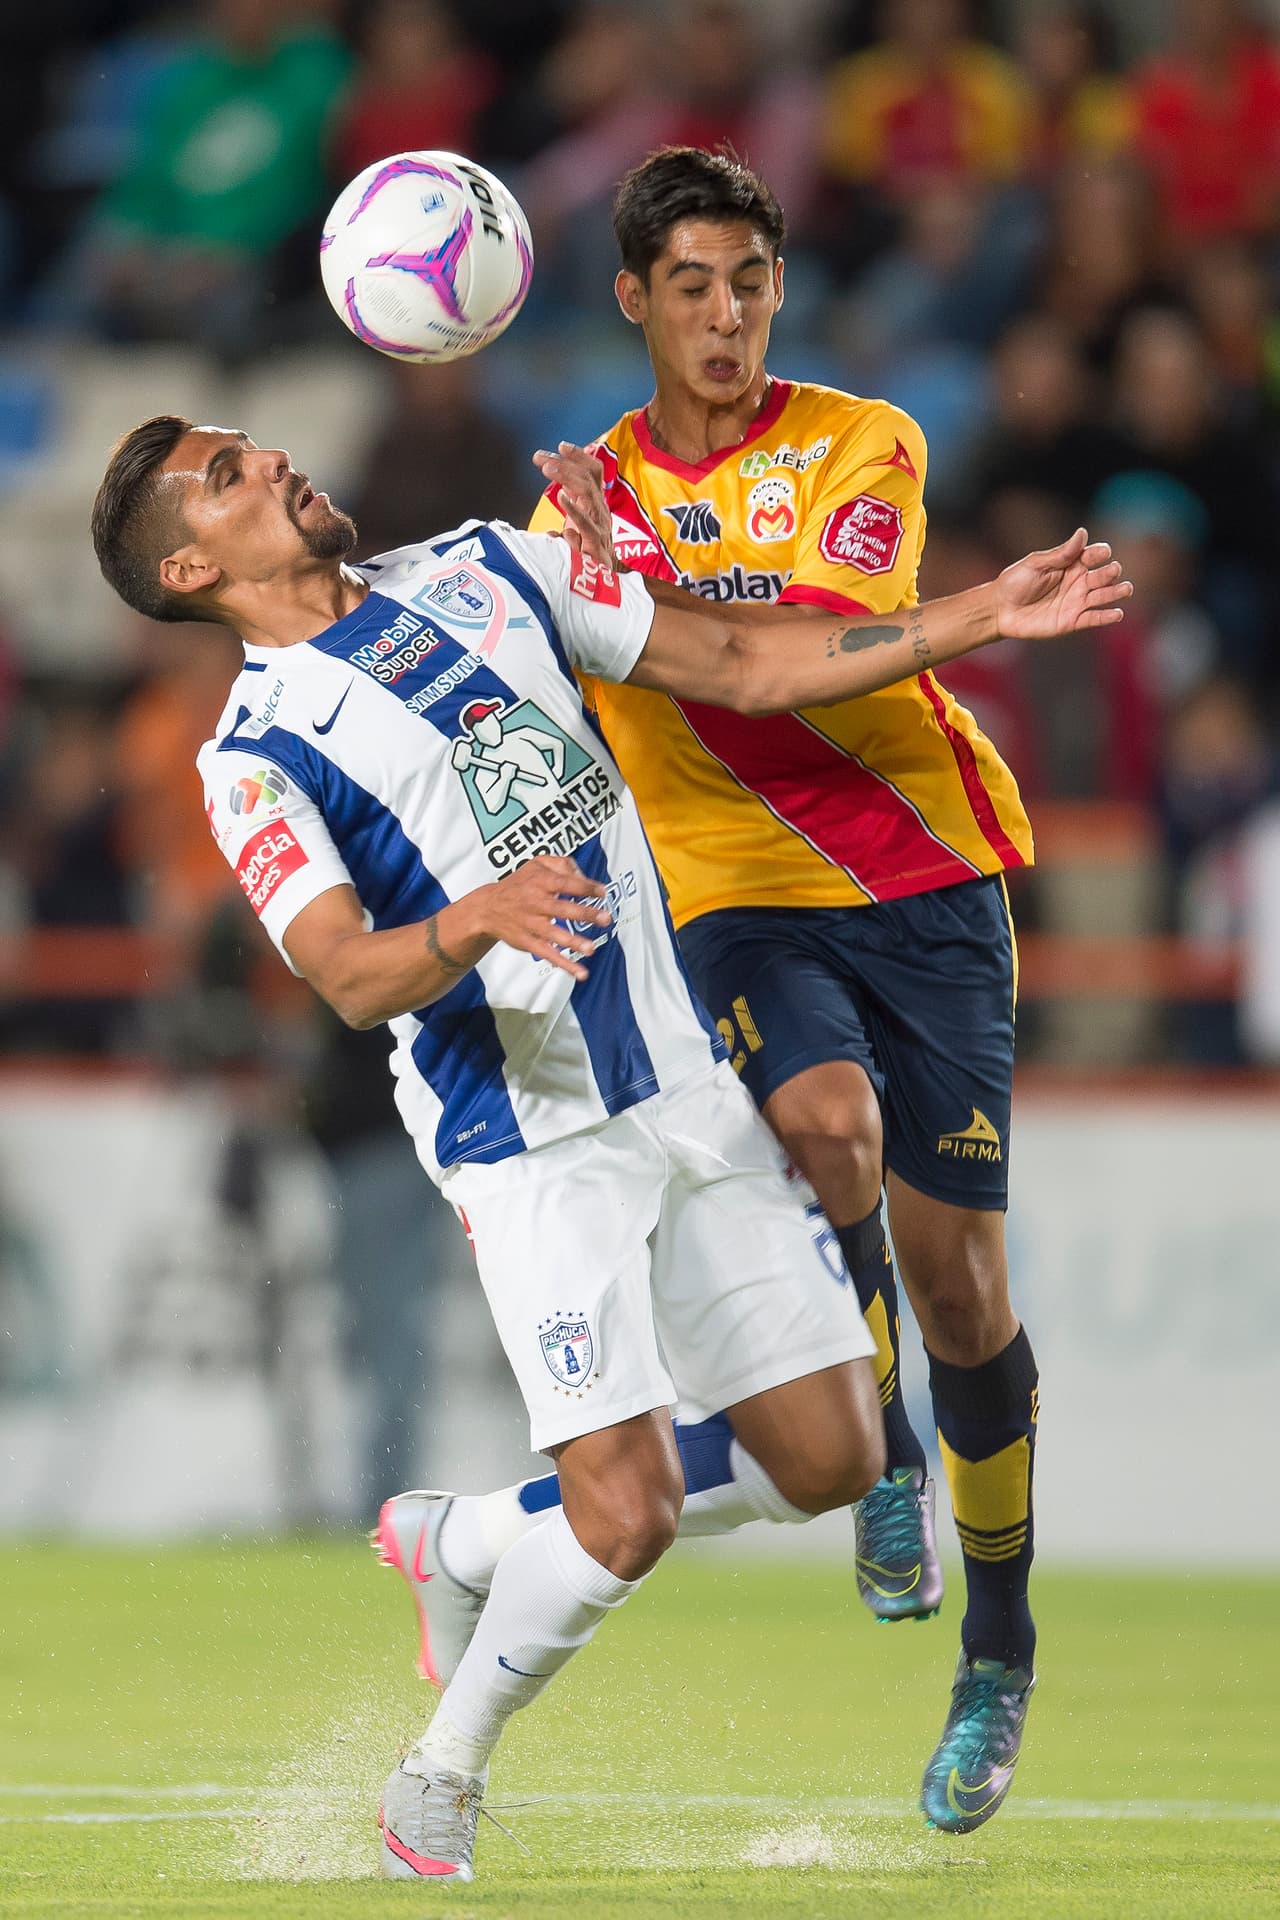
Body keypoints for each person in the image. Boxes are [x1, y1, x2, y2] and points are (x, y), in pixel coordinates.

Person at [88, 413, 1127, 1878]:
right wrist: (469, 921)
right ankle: (438, 1776)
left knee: (832, 1459)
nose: (271, 462)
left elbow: (741, 664)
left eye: (254, 443)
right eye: (226, 474)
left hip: (691, 1084)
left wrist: (976, 617)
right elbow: (338, 969)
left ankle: (466, 1542)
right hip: (530, 1139)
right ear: (191, 565)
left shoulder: (487, 567)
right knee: (627, 1514)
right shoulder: (254, 755)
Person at [526, 144, 1050, 1832]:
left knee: (962, 1283)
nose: (729, 316)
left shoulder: (859, 441)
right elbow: (551, 689)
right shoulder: (573, 500)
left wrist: (624, 586)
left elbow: (799, 653)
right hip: (739, 895)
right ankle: (883, 1457)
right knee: (824, 1131)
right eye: (692, 286)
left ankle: (1002, 1652)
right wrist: (577, 580)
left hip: (926, 876)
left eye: (750, 283)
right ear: (636, 302)